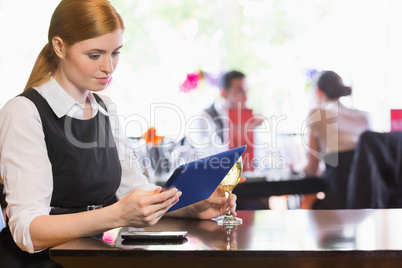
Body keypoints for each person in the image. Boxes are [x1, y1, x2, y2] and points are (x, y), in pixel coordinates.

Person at [0, 1, 241, 266]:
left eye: (115, 53)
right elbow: (28, 232)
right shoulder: (24, 112)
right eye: (95, 55)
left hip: (93, 256)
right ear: (59, 46)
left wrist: (195, 206)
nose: (109, 67)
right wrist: (116, 216)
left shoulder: (105, 108)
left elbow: (134, 189)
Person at [302, 70, 371, 208]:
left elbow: (312, 168)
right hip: (368, 198)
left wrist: (299, 170)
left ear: (318, 91)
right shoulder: (363, 116)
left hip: (338, 199)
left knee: (308, 201)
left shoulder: (317, 114)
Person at [187, 70, 263, 157]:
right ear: (223, 93)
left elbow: (259, 157)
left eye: (246, 91)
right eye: (239, 91)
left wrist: (253, 129)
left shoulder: (247, 117)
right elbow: (210, 157)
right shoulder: (203, 119)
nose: (246, 97)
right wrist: (240, 130)